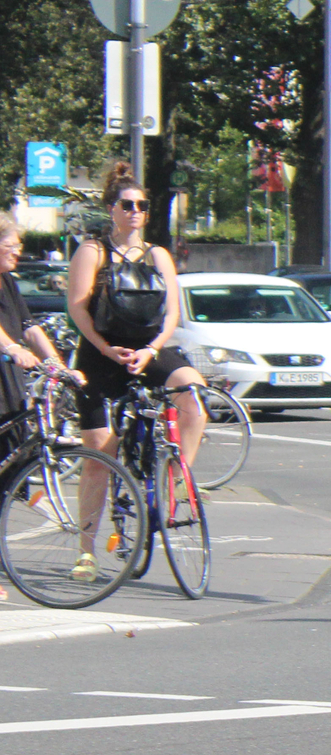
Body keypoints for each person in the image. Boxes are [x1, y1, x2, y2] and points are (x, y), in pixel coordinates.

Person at [68, 163, 207, 579]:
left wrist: (151, 350)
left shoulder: (158, 255)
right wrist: (107, 350)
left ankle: (176, 482)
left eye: (141, 206)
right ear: (112, 209)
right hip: (101, 354)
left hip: (147, 349)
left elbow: (172, 315)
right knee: (99, 454)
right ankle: (87, 550)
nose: (134, 212)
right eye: (126, 205)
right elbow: (77, 307)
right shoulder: (92, 251)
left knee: (194, 396)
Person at [0, 223, 79, 418]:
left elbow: (28, 326)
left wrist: (58, 366)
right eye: (10, 246)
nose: (17, 252)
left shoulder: (7, 280)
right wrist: (12, 348)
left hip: (9, 380)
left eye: (18, 246)